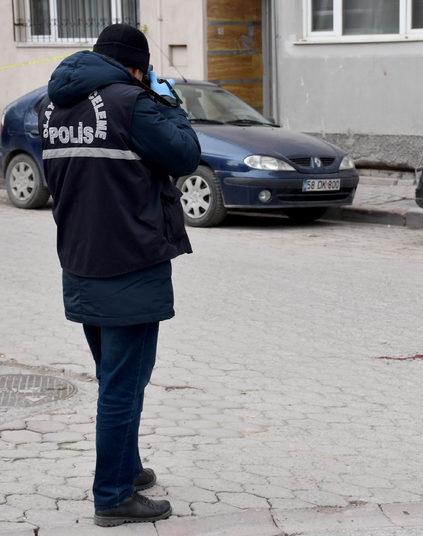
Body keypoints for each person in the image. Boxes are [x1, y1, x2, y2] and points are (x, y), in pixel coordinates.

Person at [39, 24, 201, 527]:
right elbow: (185, 154)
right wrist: (167, 103)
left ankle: (127, 470)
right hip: (129, 262)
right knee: (123, 387)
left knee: (118, 377)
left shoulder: (55, 106)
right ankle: (112, 495)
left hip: (81, 260)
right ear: (137, 67)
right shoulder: (134, 102)